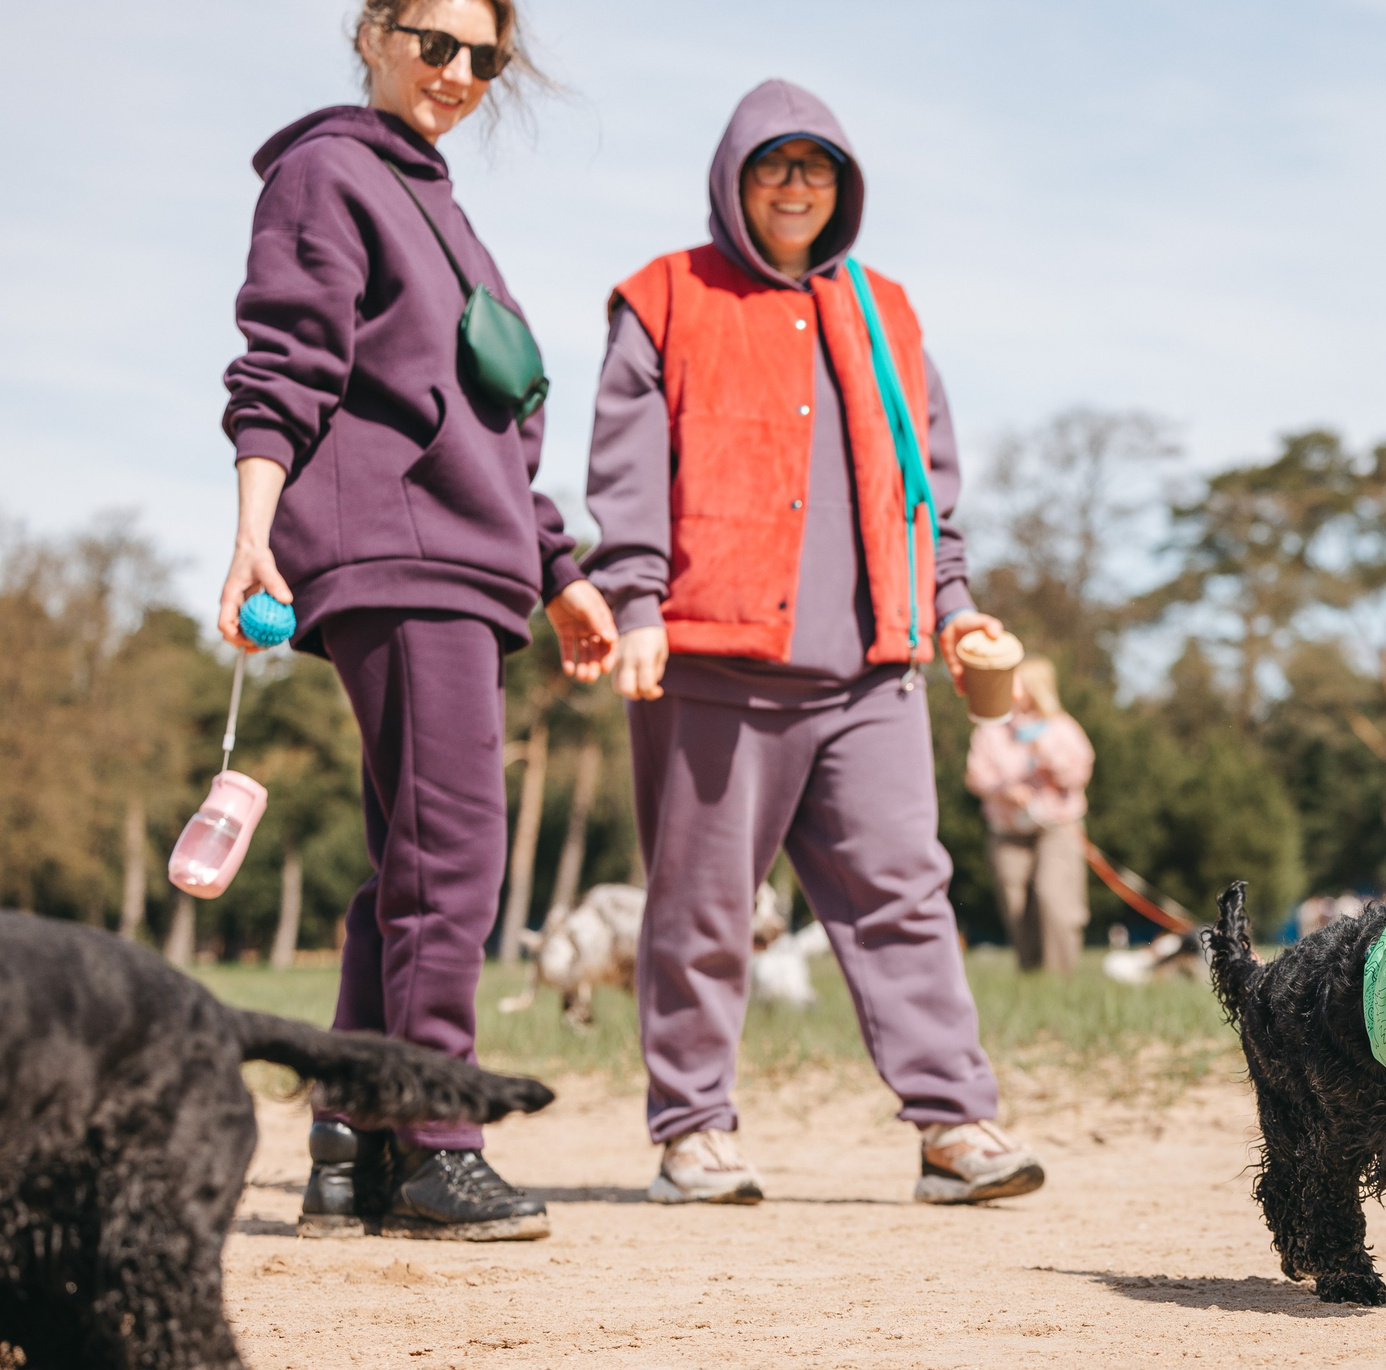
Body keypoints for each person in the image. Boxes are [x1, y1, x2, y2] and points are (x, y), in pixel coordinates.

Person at [585, 80, 1042, 1209]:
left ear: (845, 186)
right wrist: (634, 604)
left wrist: (952, 606)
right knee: (701, 911)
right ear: (734, 180)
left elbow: (926, 482)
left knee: (906, 896)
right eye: (773, 164)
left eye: (817, 165)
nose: (796, 185)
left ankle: (952, 1124)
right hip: (715, 665)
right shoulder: (663, 296)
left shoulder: (886, 310)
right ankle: (693, 1131)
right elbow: (627, 475)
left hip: (873, 670)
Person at [221, 0, 615, 1240]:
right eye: (432, 41)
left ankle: (350, 1140)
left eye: (482, 56)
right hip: (402, 553)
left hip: (467, 558)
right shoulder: (327, 171)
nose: (456, 71)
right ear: (372, 34)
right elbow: (284, 362)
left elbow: (491, 425)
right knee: (455, 859)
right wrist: (251, 530)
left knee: (412, 866)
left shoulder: (437, 203)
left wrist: (559, 569)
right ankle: (440, 1141)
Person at [964, 657, 1095, 975]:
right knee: (1016, 904)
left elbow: (1079, 774)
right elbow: (975, 776)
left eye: (1016, 683)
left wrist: (1045, 751)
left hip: (1057, 826)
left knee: (1053, 893)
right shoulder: (991, 729)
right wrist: (1004, 790)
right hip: (1007, 829)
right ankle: (1032, 974)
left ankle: (1061, 977)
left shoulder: (1061, 727)